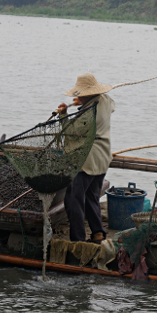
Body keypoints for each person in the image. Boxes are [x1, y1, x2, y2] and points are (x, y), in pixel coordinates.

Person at [60, 73, 115, 243]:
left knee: (73, 199)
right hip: (102, 157)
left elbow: (72, 130)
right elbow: (111, 104)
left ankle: (78, 240)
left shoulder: (88, 113)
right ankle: (98, 233)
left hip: (87, 160)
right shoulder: (106, 100)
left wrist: (63, 114)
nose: (77, 97)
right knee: (92, 196)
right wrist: (83, 102)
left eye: (79, 94)